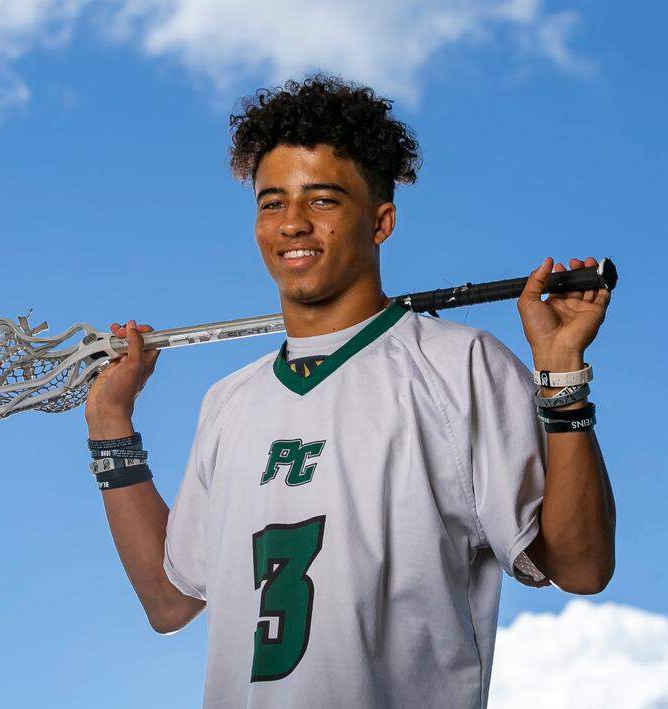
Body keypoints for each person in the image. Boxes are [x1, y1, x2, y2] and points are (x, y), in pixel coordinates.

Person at [83, 74, 615, 708]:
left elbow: (580, 568)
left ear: (380, 221)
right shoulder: (229, 401)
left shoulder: (459, 365)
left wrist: (560, 375)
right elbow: (172, 602)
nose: (293, 225)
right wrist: (109, 424)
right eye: (272, 202)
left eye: (324, 201)